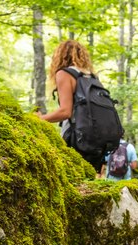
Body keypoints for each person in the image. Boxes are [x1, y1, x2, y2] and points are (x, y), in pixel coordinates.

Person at [39, 40, 104, 173]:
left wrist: (40, 118)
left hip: (75, 137)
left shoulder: (65, 74)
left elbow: (65, 112)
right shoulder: (92, 76)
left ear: (61, 55)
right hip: (97, 138)